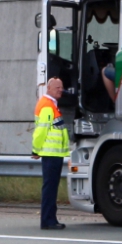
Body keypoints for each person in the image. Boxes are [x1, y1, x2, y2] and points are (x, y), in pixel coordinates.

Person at [32, 77, 70, 229]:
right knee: (50, 188)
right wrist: (36, 149)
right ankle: (48, 221)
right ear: (49, 89)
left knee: (51, 188)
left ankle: (50, 219)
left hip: (54, 154)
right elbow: (41, 130)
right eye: (57, 88)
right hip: (51, 154)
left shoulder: (51, 105)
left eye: (61, 87)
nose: (60, 90)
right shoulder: (48, 106)